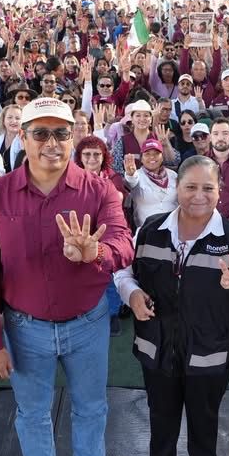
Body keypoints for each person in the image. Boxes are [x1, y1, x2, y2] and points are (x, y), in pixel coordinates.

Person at [0, 98, 134, 456]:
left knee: (91, 407)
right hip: (24, 330)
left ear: (73, 136)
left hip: (88, 324)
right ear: (21, 137)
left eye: (61, 133)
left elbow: (122, 242)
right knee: (32, 413)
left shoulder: (99, 190)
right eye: (40, 133)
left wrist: (96, 252)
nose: (52, 143)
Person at [114, 156, 229, 456]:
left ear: (220, 191)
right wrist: (131, 294)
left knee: (205, 414)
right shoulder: (149, 230)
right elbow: (123, 272)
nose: (199, 195)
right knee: (161, 412)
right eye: (190, 187)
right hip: (157, 346)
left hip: (210, 350)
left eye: (208, 188)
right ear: (176, 188)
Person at [75, 135, 129, 336]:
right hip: (82, 234)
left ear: (104, 156)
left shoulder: (113, 178)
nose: (92, 159)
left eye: (96, 154)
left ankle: (113, 314)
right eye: (87, 154)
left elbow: (119, 201)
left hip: (107, 234)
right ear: (80, 157)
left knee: (109, 275)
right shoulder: (72, 178)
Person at [124, 138, 178, 228]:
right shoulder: (137, 175)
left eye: (156, 153)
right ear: (141, 159)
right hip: (147, 230)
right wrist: (130, 174)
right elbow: (131, 182)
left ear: (162, 157)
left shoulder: (173, 175)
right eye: (147, 154)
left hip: (173, 228)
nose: (152, 157)